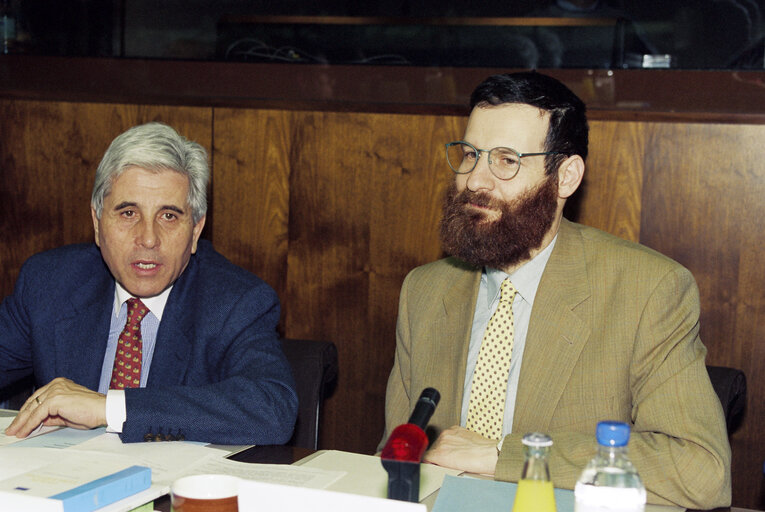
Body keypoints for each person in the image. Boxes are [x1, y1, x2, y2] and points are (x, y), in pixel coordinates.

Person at [380, 72, 731, 508]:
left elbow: (701, 470)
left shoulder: (647, 291)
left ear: (566, 177)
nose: (475, 180)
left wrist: (505, 456)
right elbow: (394, 461)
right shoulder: (426, 291)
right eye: (470, 154)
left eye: (506, 160)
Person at [1, 122, 298, 445]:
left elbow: (272, 409)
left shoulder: (235, 302)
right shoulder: (50, 282)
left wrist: (110, 407)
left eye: (169, 216)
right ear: (97, 223)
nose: (148, 238)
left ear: (196, 230)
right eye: (128, 213)